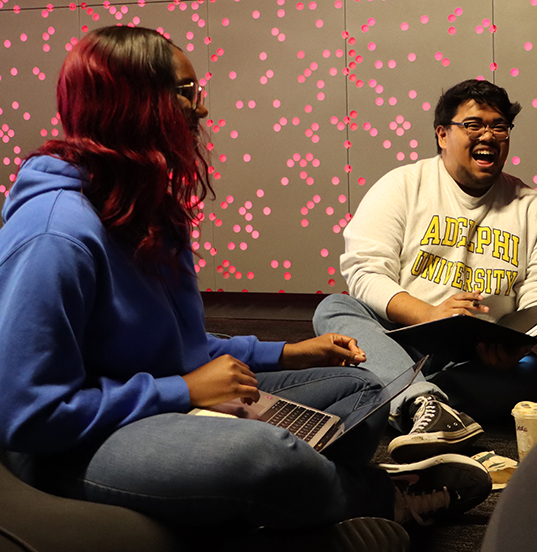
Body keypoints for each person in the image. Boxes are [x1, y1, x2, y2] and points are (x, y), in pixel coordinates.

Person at [0, 26, 490, 533]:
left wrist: (291, 353)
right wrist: (183, 391)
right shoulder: (55, 234)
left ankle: (287, 505)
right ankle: (379, 501)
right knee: (261, 454)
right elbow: (27, 415)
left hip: (165, 403)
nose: (203, 110)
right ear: (137, 104)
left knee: (363, 391)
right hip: (70, 447)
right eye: (188, 93)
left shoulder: (145, 209)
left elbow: (173, 345)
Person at [314, 79, 537, 463]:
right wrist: (429, 313)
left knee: (531, 373)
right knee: (334, 309)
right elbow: (364, 271)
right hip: (400, 337)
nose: (488, 135)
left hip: (479, 356)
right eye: (473, 125)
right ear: (442, 134)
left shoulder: (533, 207)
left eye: (499, 126)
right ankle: (422, 402)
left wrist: (518, 341)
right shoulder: (401, 185)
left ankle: (399, 399)